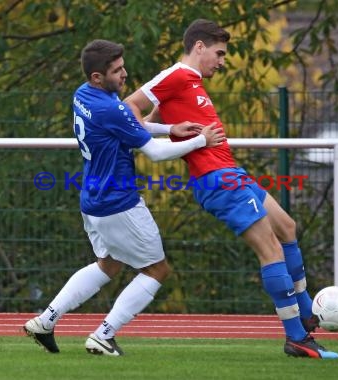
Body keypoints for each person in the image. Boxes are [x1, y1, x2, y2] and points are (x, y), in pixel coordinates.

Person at [125, 19, 338, 359]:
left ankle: (306, 311)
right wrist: (183, 134)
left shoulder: (190, 83)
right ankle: (297, 337)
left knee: (286, 227)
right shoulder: (176, 75)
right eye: (219, 53)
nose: (222, 61)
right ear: (199, 47)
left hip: (231, 172)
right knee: (270, 249)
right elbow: (128, 109)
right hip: (217, 178)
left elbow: (148, 121)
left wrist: (169, 127)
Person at [23, 39, 224, 356]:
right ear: (97, 77)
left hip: (92, 198)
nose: (125, 74)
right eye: (116, 71)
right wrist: (201, 139)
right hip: (119, 202)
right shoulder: (111, 107)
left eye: (123, 66)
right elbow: (154, 153)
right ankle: (104, 335)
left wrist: (171, 126)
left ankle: (45, 320)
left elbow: (130, 125)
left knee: (108, 264)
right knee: (157, 270)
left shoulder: (83, 95)